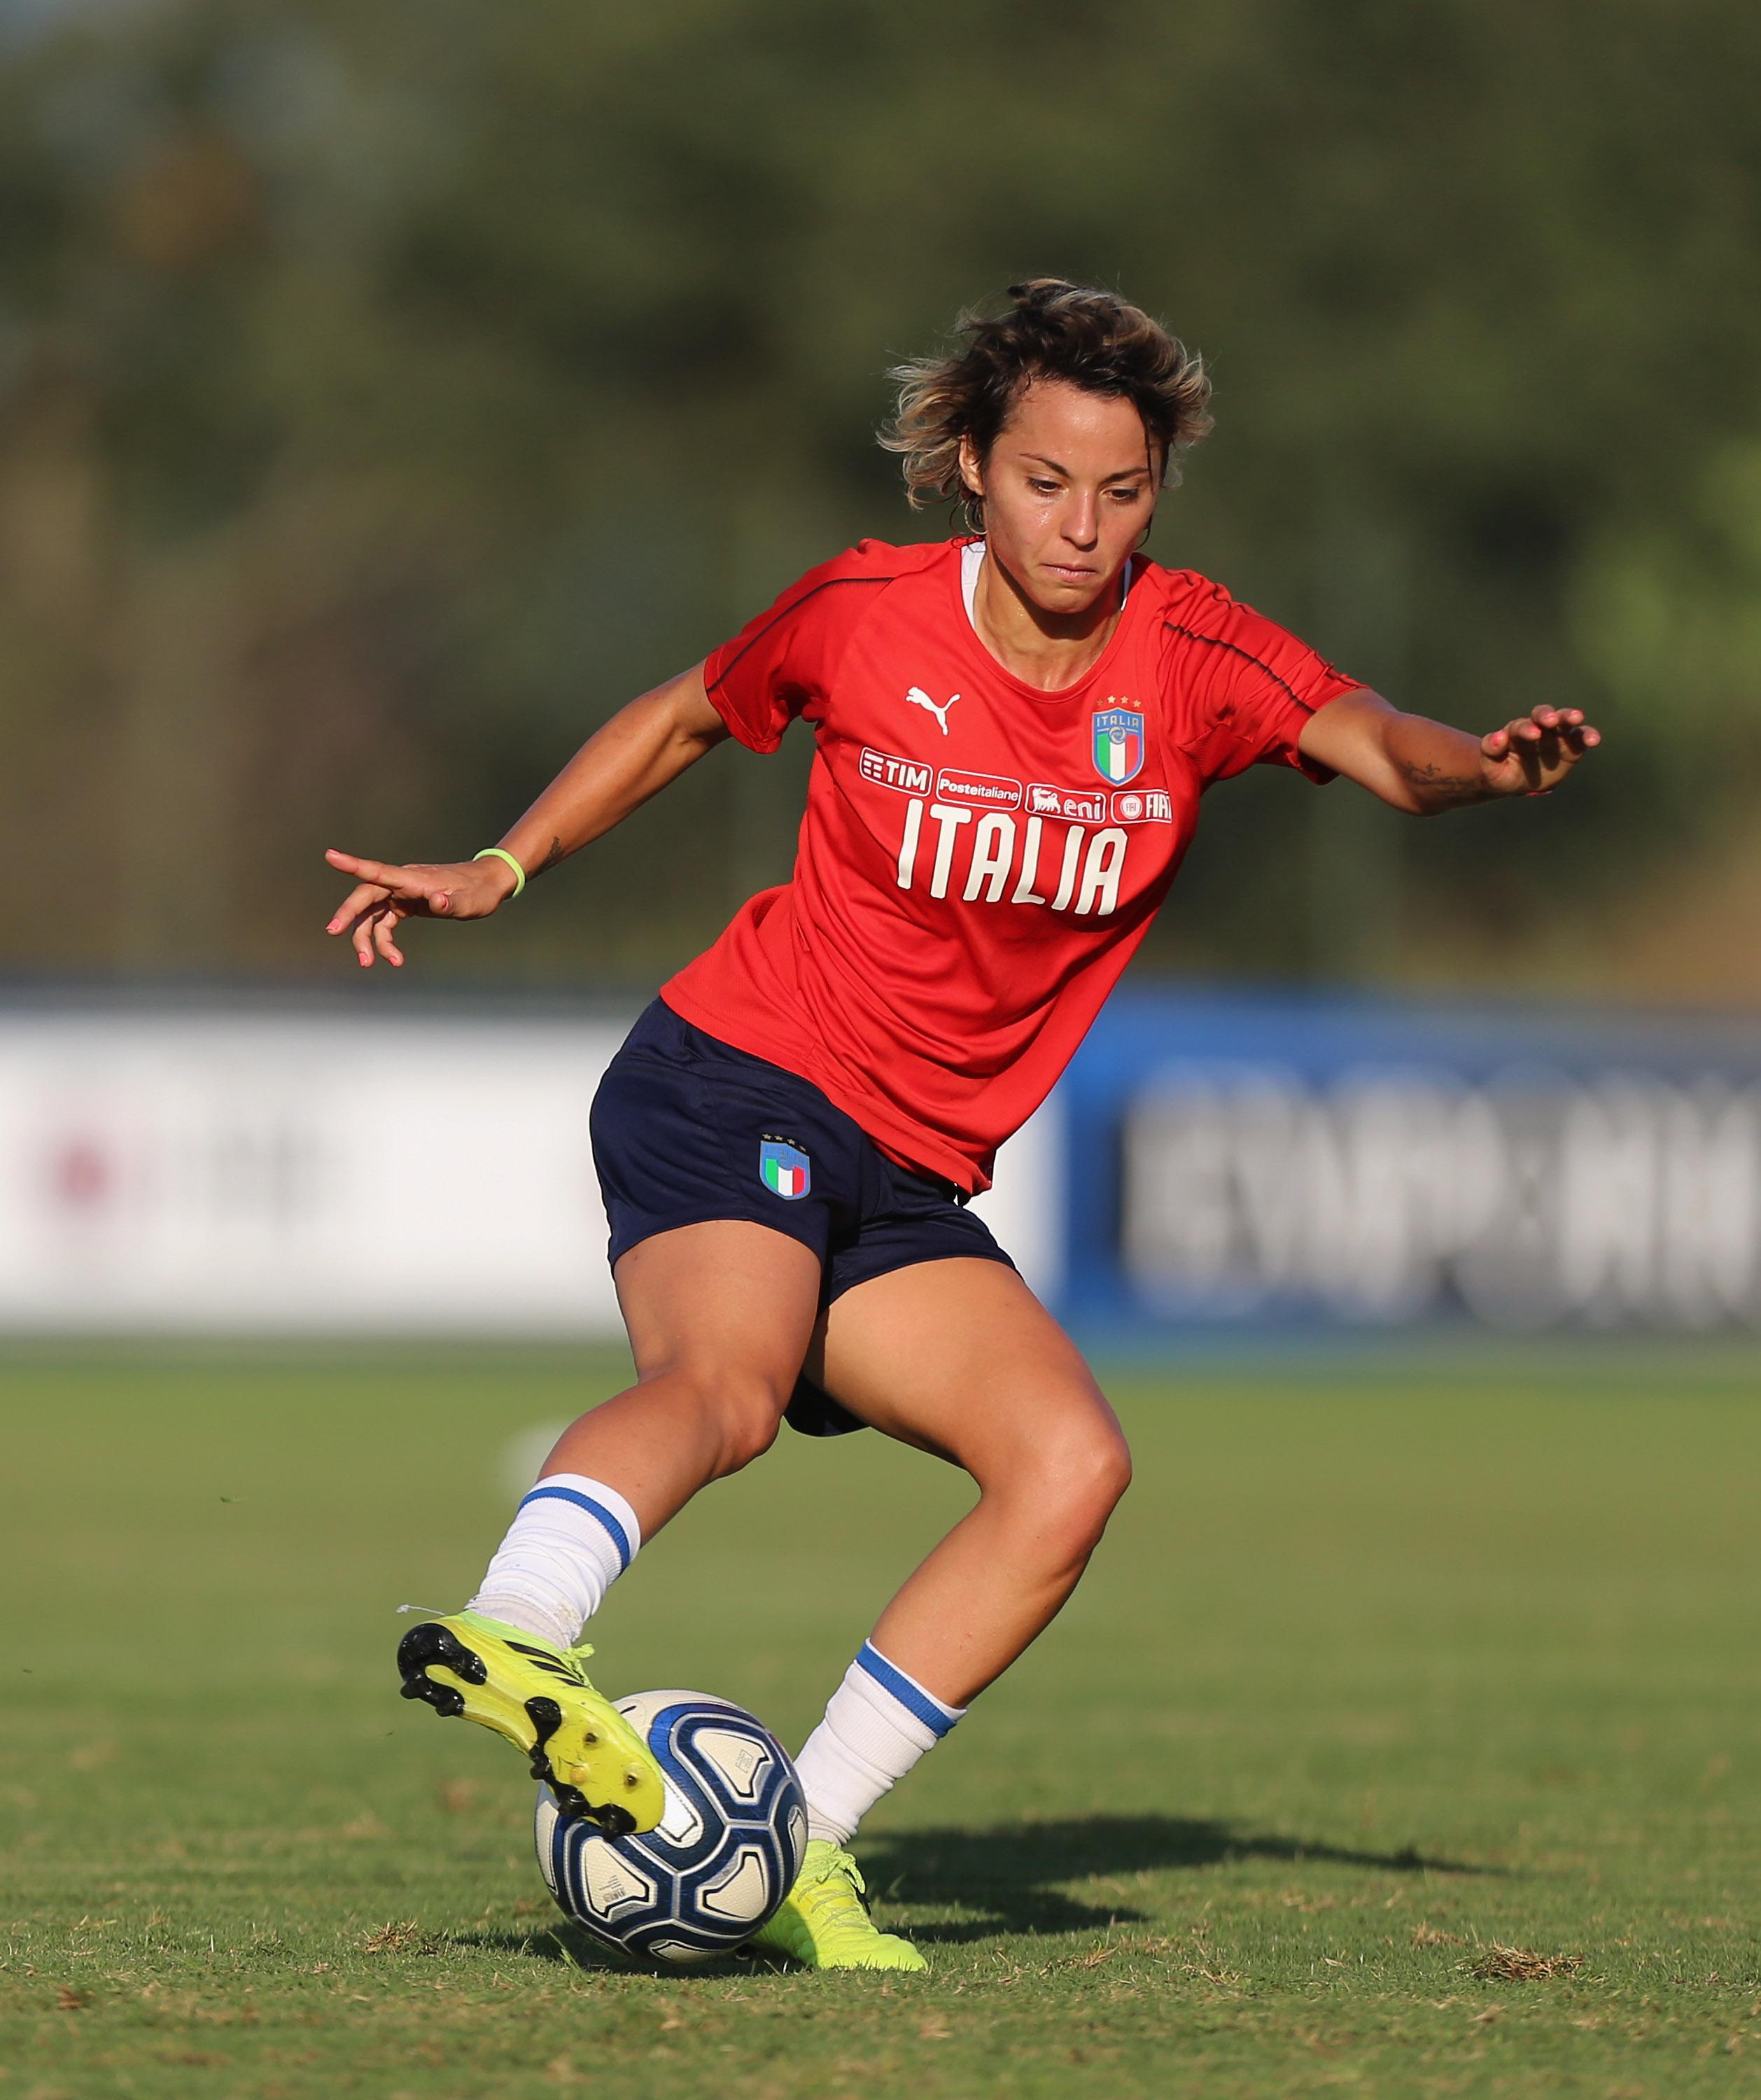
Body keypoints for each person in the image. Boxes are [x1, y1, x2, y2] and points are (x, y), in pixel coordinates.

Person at [323, 279, 1601, 1971]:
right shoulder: (864, 614)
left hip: (907, 1174)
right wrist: (504, 862)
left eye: (1121, 488)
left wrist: (1486, 771)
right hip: (741, 1072)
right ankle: (516, 1630)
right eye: (1046, 481)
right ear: (973, 474)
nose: (1083, 524)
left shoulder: (1197, 656)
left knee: (1068, 1468)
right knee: (727, 1392)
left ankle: (799, 1844)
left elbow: (1376, 742)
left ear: (1158, 491)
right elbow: (690, 712)